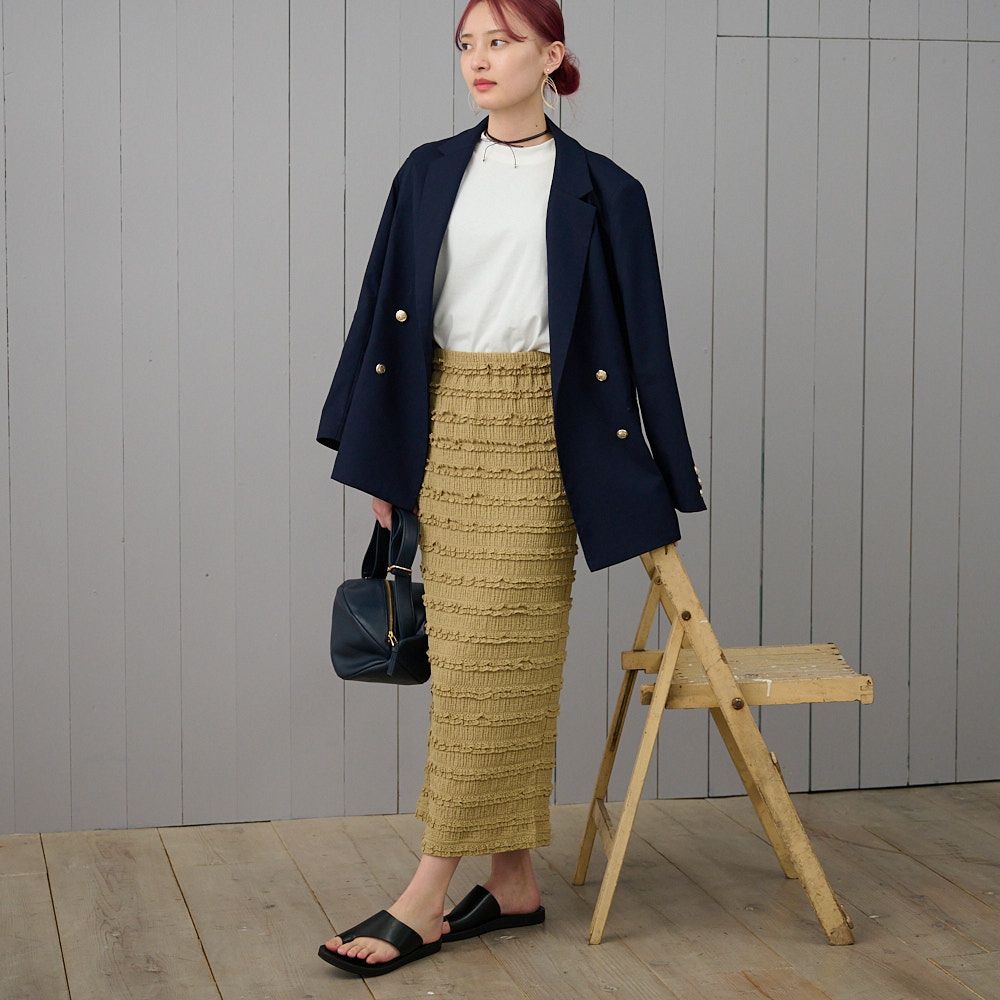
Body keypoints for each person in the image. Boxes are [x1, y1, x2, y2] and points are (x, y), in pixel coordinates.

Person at [318, 0, 705, 978]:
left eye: (501, 41)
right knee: (479, 662)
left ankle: (425, 892)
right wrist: (381, 457)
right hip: (444, 433)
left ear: (550, 54)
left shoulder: (605, 190)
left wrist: (664, 477)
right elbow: (379, 316)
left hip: (544, 442)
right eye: (466, 44)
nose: (479, 60)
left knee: (496, 658)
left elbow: (644, 344)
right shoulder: (427, 171)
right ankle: (514, 881)